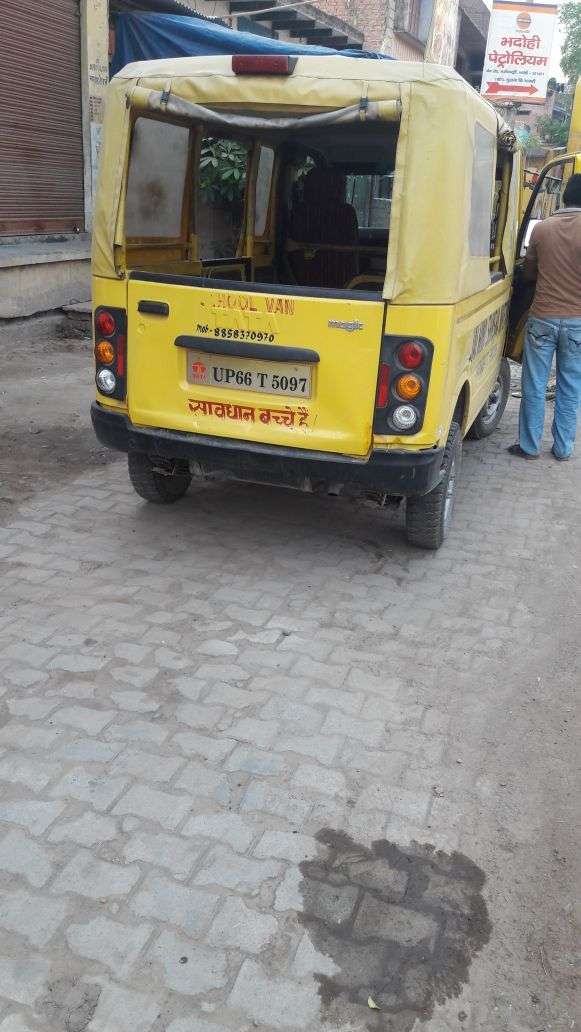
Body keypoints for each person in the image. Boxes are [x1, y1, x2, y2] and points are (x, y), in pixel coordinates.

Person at [508, 172, 581, 461]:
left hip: (542, 319)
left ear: (564, 196)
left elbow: (528, 274)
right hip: (577, 322)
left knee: (534, 384)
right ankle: (563, 448)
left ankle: (528, 446)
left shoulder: (542, 229)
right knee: (570, 386)